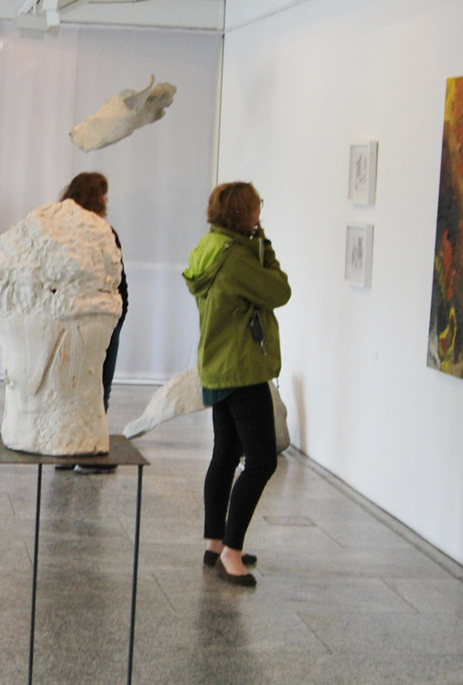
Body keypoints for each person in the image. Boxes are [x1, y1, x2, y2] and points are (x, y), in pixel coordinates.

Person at [182, 182, 291, 586]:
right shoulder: (238, 262)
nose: (260, 213)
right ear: (245, 214)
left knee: (226, 453)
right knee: (262, 460)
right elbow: (280, 290)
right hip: (242, 368)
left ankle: (215, 542)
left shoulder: (210, 248)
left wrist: (255, 242)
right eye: (256, 208)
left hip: (217, 364)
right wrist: (266, 246)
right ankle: (232, 551)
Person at [56, 172, 128, 474]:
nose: (108, 200)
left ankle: (66, 451)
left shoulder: (60, 230)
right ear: (95, 197)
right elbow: (117, 279)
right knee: (99, 386)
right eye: (104, 193)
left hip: (70, 319)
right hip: (99, 320)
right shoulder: (102, 232)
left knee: (70, 385)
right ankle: (89, 454)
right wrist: (120, 313)